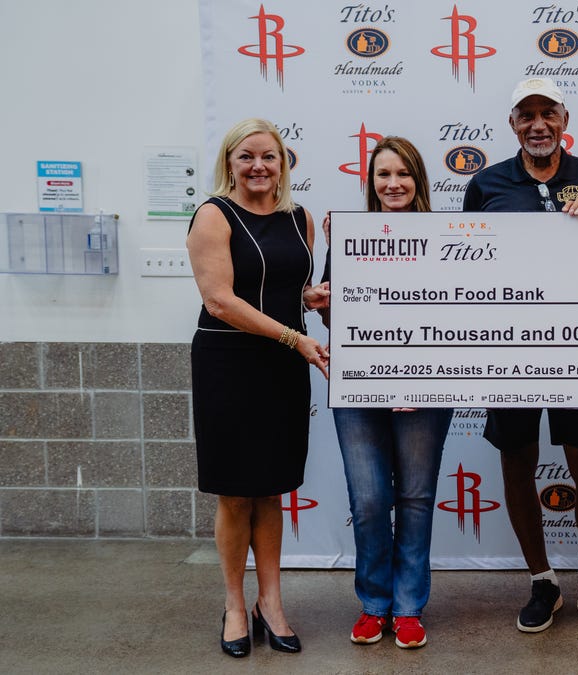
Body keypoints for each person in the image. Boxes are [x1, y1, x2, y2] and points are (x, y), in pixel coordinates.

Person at [462, 77, 578, 636]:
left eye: (547, 113)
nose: (538, 124)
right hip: (509, 348)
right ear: (512, 123)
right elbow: (467, 266)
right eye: (526, 114)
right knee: (516, 462)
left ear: (563, 118)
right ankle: (541, 580)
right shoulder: (486, 183)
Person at [186, 118, 330, 658]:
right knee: (234, 491)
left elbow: (287, 288)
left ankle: (271, 602)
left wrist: (312, 298)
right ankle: (232, 604)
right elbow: (220, 299)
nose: (259, 167)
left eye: (269, 156)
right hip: (229, 361)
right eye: (247, 156)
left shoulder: (301, 219)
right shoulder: (212, 215)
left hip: (283, 365)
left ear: (283, 162)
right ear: (230, 162)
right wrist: (294, 336)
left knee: (271, 488)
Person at [317, 137, 453, 650]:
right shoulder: (349, 236)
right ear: (370, 183)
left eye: (403, 174)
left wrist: (423, 369)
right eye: (382, 175)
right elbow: (337, 315)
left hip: (427, 383)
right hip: (360, 385)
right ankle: (374, 605)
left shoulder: (446, 236)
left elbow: (462, 309)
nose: (392, 184)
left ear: (419, 180)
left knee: (415, 498)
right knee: (370, 499)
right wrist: (321, 300)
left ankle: (409, 606)